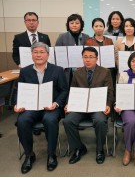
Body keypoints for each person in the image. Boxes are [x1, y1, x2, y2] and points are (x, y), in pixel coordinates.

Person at [14, 42, 68, 174]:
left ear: (48, 55)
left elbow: (64, 90)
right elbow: (19, 90)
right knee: (22, 121)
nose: (38, 55)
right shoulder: (25, 71)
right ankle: (29, 154)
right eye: (35, 52)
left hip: (51, 107)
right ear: (31, 54)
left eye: (42, 52)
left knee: (50, 121)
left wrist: (56, 104)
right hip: (31, 107)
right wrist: (17, 104)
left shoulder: (57, 70)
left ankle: (51, 155)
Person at [63, 47, 114, 165]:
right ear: (82, 58)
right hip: (80, 106)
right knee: (68, 121)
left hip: (97, 106)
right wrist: (68, 104)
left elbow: (110, 91)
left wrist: (108, 105)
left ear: (97, 58)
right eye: (85, 57)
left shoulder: (105, 72)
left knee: (100, 121)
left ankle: (100, 149)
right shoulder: (77, 73)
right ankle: (79, 148)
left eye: (91, 57)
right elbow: (72, 90)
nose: (88, 60)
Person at [55, 14, 89, 84]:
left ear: (81, 24)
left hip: (83, 69)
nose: (74, 25)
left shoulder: (86, 37)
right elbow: (57, 53)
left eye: (77, 23)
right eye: (71, 23)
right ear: (68, 25)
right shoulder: (62, 36)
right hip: (67, 70)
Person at [85, 18, 116, 89]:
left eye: (101, 26)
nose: (98, 28)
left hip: (108, 70)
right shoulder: (88, 41)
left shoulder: (109, 41)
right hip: (94, 70)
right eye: (96, 26)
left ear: (104, 27)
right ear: (92, 27)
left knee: (109, 88)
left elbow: (112, 56)